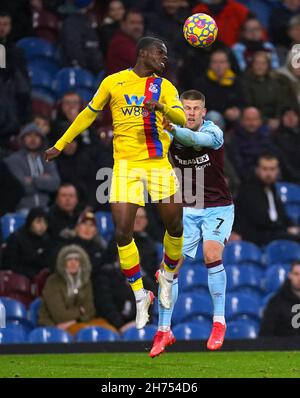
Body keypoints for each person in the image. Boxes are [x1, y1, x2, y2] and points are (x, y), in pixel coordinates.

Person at [44, 37, 186, 330]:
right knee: (122, 232)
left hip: (158, 163)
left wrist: (160, 107)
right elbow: (88, 113)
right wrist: (61, 143)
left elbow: (182, 118)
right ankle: (140, 295)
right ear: (143, 53)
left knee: (175, 226)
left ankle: (168, 277)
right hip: (125, 166)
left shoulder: (165, 86)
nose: (164, 58)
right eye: (160, 52)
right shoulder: (114, 82)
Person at [150, 90, 234, 357]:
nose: (191, 112)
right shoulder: (169, 134)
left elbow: (193, 139)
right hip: (188, 207)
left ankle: (219, 322)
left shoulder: (213, 133)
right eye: (186, 107)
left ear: (204, 112)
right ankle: (164, 330)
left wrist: (170, 124)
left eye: (197, 108)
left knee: (211, 255)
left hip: (218, 207)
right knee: (169, 268)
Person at [39, 244, 115, 335]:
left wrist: (77, 320)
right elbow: (60, 315)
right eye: (69, 260)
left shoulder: (85, 281)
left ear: (81, 263)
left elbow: (90, 310)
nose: (73, 263)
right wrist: (80, 311)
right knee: (88, 333)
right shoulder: (53, 282)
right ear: (63, 263)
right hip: (55, 325)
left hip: (80, 322)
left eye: (76, 260)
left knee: (109, 329)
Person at [233, 154, 300, 246]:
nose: (268, 174)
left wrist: (291, 226)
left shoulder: (272, 188)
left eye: (272, 169)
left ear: (277, 171)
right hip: (256, 236)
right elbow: (262, 219)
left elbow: (280, 214)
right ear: (257, 170)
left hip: (272, 233)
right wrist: (286, 230)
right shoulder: (248, 189)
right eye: (264, 169)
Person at [4, 122, 60, 213]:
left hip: (45, 208)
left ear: (42, 139)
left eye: (37, 136)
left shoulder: (47, 159)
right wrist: (43, 179)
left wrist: (32, 180)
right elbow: (20, 187)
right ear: (22, 139)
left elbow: (55, 183)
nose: (33, 139)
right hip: (21, 209)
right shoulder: (13, 160)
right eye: (29, 135)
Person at [240, 51, 297, 127]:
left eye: (263, 63)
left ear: (268, 65)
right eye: (257, 63)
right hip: (256, 120)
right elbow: (249, 105)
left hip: (278, 120)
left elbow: (282, 103)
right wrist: (266, 120)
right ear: (252, 65)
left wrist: (278, 119)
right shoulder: (245, 82)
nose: (260, 66)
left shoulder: (277, 81)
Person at [1, 207, 52, 279]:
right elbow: (9, 265)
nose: (43, 226)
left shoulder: (46, 239)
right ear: (30, 222)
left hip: (42, 280)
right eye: (38, 221)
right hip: (20, 280)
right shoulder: (16, 238)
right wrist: (32, 274)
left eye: (45, 222)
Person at [194, 49, 243, 123]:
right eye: (215, 62)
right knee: (214, 116)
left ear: (228, 64)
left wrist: (238, 110)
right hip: (211, 118)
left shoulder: (236, 81)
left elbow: (243, 102)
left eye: (222, 62)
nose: (218, 65)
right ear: (210, 65)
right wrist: (225, 112)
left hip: (235, 118)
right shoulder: (201, 83)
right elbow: (200, 107)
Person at [228, 107, 275, 180]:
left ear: (260, 121)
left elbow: (274, 158)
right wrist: (255, 172)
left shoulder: (267, 137)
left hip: (268, 176)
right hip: (246, 180)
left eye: (255, 119)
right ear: (242, 121)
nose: (252, 123)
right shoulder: (234, 139)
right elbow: (237, 165)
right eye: (248, 120)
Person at [260, 261, 300, 337]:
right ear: (290, 275)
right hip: (284, 346)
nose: (299, 278)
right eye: (296, 274)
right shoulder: (276, 302)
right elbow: (266, 333)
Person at [105, 9, 144, 74]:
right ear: (123, 24)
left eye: (140, 23)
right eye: (132, 23)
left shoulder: (138, 41)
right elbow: (142, 62)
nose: (137, 27)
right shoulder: (119, 42)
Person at [272, 107, 300, 183]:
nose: (291, 118)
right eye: (287, 115)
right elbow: (283, 161)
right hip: (287, 178)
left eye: (294, 115)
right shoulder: (276, 137)